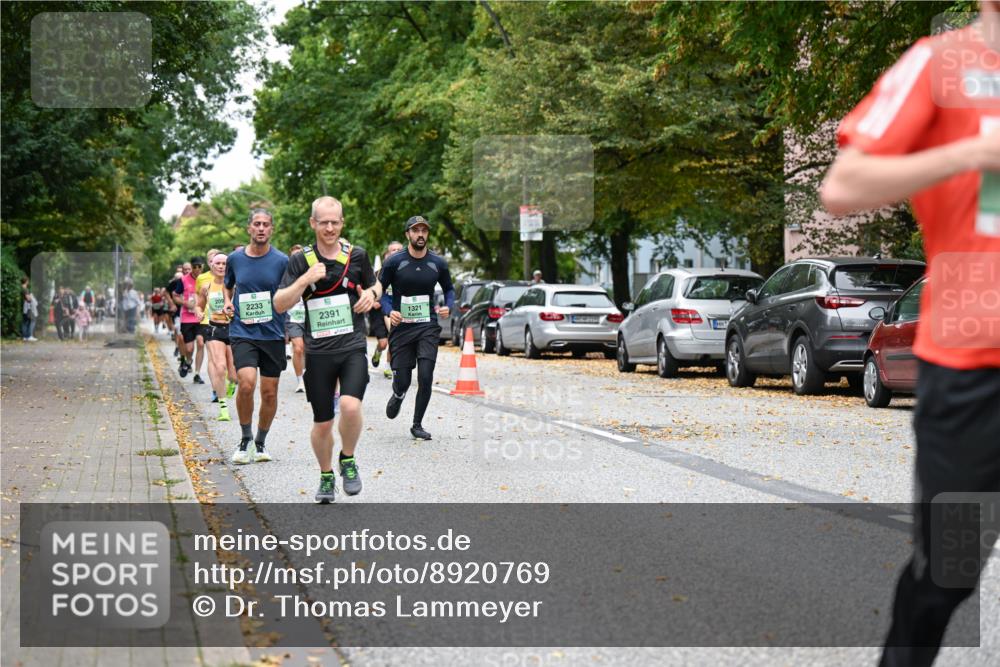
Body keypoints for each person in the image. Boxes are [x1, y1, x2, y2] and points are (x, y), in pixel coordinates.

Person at [821, 8, 1000, 666]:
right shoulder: (940, 64)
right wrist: (971, 152)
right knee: (950, 570)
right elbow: (842, 186)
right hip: (974, 371)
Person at [274, 196, 380, 503]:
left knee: (349, 406)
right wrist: (306, 279)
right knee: (322, 422)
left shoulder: (356, 256)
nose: (330, 228)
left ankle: (347, 458)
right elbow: (279, 303)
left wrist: (371, 294)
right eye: (324, 222)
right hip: (318, 351)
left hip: (352, 346)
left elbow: (377, 286)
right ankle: (325, 475)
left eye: (335, 222)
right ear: (313, 224)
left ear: (342, 223)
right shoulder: (300, 261)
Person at [379, 216, 454, 440]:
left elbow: (449, 289)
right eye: (415, 230)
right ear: (408, 235)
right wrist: (388, 310)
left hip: (427, 325)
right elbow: (380, 290)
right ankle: (399, 393)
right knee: (403, 379)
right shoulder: (395, 261)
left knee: (425, 375)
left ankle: (417, 423)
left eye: (424, 230)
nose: (420, 234)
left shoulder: (437, 263)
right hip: (402, 327)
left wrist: (448, 306)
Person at [223, 208, 289, 465]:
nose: (261, 228)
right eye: (257, 224)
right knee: (247, 382)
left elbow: (291, 291)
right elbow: (228, 285)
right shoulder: (235, 259)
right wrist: (228, 302)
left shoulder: (282, 260)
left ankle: (261, 443)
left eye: (266, 225)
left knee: (270, 393)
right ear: (249, 228)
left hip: (272, 333)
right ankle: (245, 439)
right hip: (243, 330)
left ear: (271, 229)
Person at [197, 252, 238, 421]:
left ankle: (232, 383)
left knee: (234, 375)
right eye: (218, 263)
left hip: (234, 329)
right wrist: (199, 313)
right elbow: (199, 306)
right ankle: (223, 408)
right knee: (219, 367)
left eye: (224, 264)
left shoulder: (237, 286)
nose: (221, 266)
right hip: (214, 329)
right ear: (212, 266)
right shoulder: (206, 287)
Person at [370, 240, 403, 378]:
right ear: (386, 255)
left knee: (393, 338)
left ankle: (388, 366)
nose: (395, 252)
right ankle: (378, 352)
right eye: (392, 250)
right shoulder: (377, 274)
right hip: (378, 311)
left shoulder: (404, 272)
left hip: (394, 309)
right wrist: (373, 301)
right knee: (383, 343)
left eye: (398, 250)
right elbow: (369, 291)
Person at [173, 259, 206, 383]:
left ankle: (197, 374)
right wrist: (185, 303)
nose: (197, 269)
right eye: (195, 267)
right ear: (191, 267)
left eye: (200, 266)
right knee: (189, 349)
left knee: (201, 343)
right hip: (187, 317)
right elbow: (175, 295)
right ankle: (188, 361)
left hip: (201, 317)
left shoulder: (206, 279)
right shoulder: (183, 280)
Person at [285, 244, 307, 393]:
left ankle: (308, 375)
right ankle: (301, 381)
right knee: (298, 348)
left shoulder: (312, 272)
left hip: (312, 316)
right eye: (294, 256)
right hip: (293, 317)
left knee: (310, 350)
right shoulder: (286, 274)